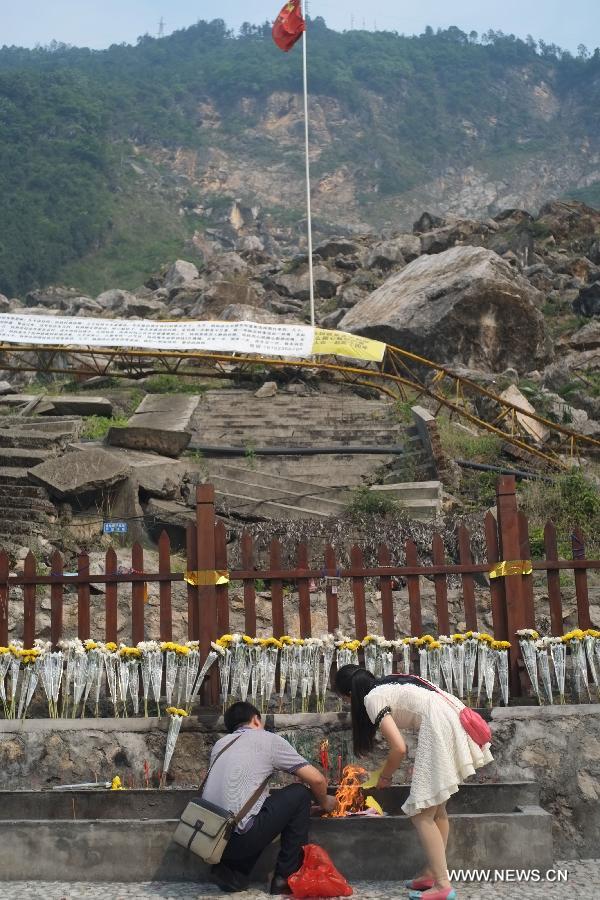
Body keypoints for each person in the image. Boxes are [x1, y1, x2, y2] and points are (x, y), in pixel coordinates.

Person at [335, 665, 493, 900]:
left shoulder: (372, 699)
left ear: (349, 695)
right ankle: (432, 873)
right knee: (437, 809)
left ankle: (442, 885)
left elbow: (399, 747)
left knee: (421, 813)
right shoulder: (387, 684)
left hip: (440, 727)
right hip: (452, 720)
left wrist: (385, 776)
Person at [202, 700, 338, 894]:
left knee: (253, 809)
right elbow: (317, 780)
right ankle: (285, 877)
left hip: (210, 841)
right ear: (256, 720)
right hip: (240, 840)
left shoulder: (220, 744)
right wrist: (325, 803)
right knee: (299, 793)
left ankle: (234, 873)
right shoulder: (267, 739)